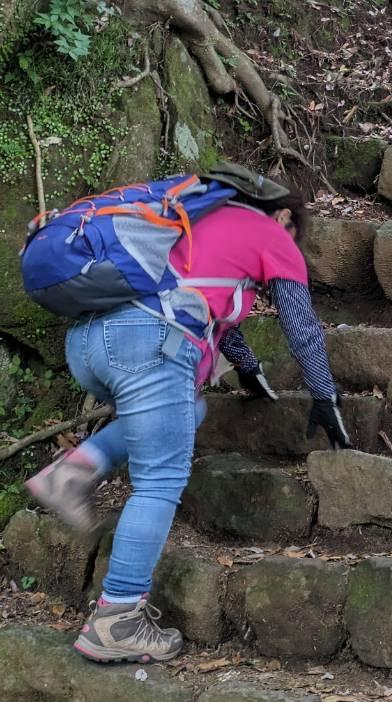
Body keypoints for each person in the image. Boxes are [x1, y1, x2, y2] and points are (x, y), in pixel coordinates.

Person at [24, 164, 348, 665]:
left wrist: (248, 369)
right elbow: (301, 326)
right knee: (159, 481)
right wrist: (325, 397)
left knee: (189, 408)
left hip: (89, 344)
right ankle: (116, 620)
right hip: (149, 341)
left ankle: (75, 470)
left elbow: (212, 312)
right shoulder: (269, 231)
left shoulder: (186, 223)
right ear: (283, 215)